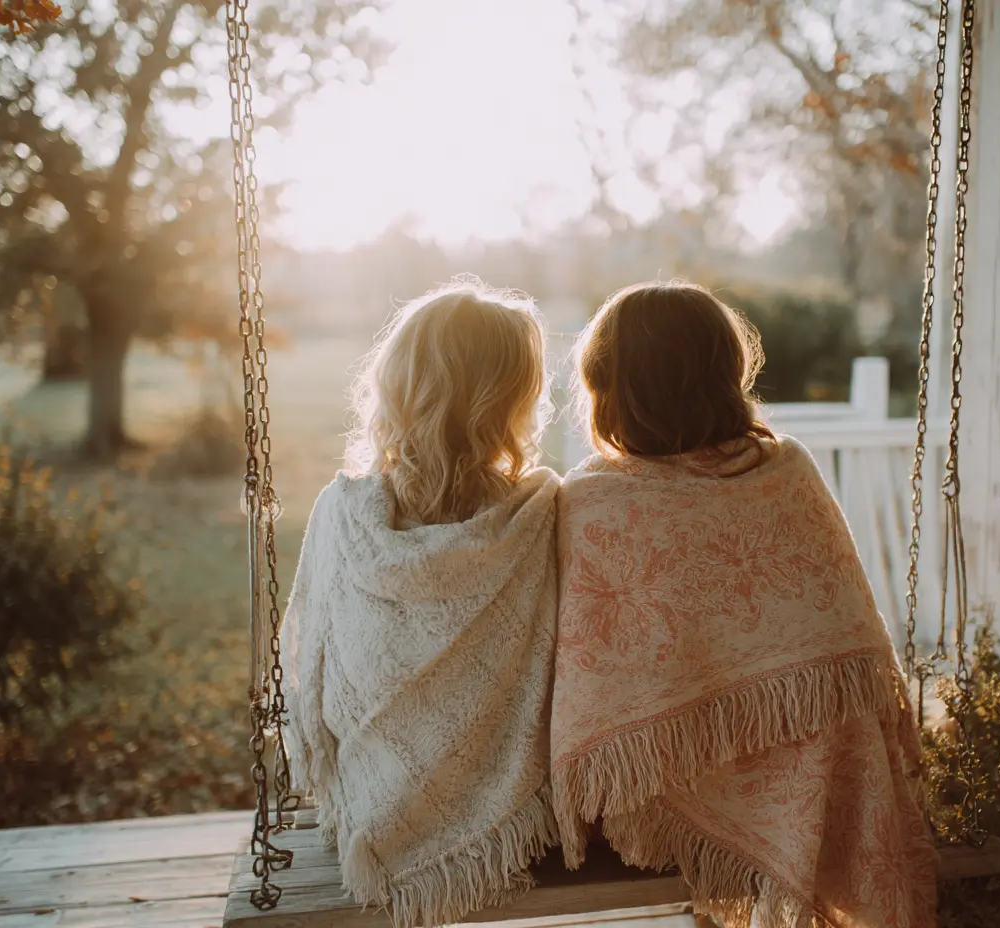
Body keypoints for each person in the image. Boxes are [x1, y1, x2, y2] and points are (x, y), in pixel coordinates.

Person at [551, 280, 937, 928]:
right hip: (807, 782)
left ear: (610, 388)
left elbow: (594, 687)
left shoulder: (594, 499)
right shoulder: (786, 467)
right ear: (726, 373)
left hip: (680, 780)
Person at [280, 278, 560, 928]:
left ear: (396, 387)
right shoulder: (538, 515)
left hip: (370, 803)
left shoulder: (342, 513)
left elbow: (313, 662)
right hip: (505, 819)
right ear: (513, 399)